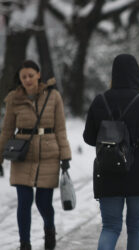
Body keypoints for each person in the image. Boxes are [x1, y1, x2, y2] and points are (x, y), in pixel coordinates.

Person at [83, 54, 139, 250]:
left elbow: (88, 137)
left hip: (107, 170)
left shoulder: (99, 100)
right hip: (138, 171)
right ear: (137, 75)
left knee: (110, 227)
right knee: (136, 228)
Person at [0, 60, 72, 250]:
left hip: (49, 154)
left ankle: (49, 230)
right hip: (22, 154)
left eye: (31, 75)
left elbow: (61, 129)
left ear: (38, 75)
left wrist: (65, 157)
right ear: (20, 79)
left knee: (43, 202)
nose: (28, 79)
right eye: (24, 77)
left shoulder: (54, 96)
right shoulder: (13, 99)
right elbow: (6, 131)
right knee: (24, 201)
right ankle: (25, 244)